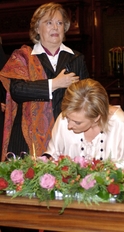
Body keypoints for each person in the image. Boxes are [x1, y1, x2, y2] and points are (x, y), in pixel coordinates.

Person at [0, 2, 89, 159]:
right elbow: (17, 90)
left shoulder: (76, 58)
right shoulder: (23, 57)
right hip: (27, 138)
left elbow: (86, 97)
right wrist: (55, 84)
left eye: (59, 23)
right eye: (49, 22)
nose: (55, 27)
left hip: (67, 135)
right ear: (36, 29)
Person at [44, 78, 124, 174]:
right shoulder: (64, 119)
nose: (69, 126)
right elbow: (52, 155)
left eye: (77, 122)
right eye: (68, 118)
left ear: (96, 118)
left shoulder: (119, 123)